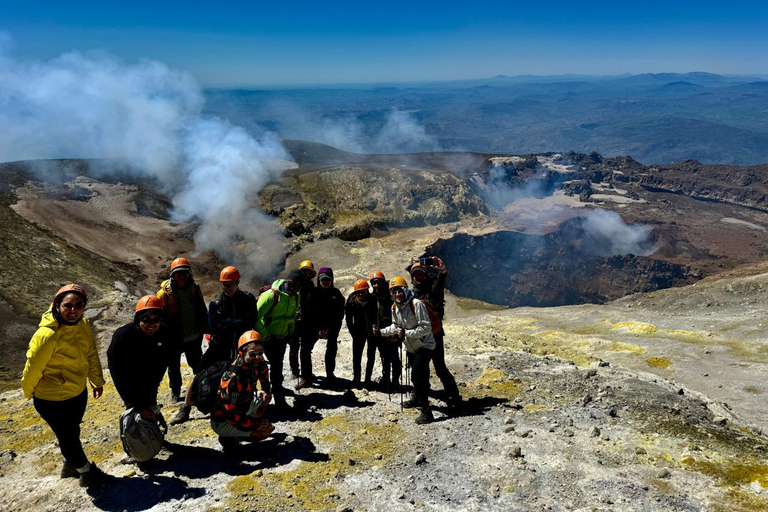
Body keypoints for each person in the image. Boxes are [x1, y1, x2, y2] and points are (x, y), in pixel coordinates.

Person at [21, 284, 114, 487]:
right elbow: (33, 368)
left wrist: (96, 380)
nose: (73, 310)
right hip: (51, 399)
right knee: (67, 436)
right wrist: (29, 393)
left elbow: (90, 352)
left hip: (77, 392)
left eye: (78, 305)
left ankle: (70, 465)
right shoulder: (47, 335)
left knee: (72, 432)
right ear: (57, 305)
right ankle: (87, 473)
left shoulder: (82, 324)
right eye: (68, 305)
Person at [107, 295, 172, 451]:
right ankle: (134, 448)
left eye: (156, 320)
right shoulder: (123, 336)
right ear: (137, 319)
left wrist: (154, 385)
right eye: (146, 319)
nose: (151, 324)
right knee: (134, 414)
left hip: (150, 380)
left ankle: (152, 437)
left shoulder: (164, 332)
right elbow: (117, 372)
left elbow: (163, 361)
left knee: (149, 409)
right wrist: (134, 402)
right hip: (129, 381)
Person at [157, 257, 210, 425]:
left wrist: (207, 329)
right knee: (173, 366)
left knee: (197, 365)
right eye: (179, 274)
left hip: (194, 336)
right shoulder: (164, 294)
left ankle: (200, 390)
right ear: (173, 275)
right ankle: (175, 391)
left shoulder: (195, 289)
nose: (182, 276)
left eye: (185, 273)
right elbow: (159, 317)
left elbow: (201, 310)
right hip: (173, 339)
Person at [375, 277, 435, 424]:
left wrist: (406, 333)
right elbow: (396, 327)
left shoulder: (417, 304)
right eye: (394, 292)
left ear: (405, 290)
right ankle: (418, 398)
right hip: (412, 347)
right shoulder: (395, 307)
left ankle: (427, 411)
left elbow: (426, 328)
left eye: (399, 291)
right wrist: (381, 332)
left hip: (425, 345)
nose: (397, 294)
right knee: (420, 375)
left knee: (416, 376)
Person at [408, 257, 462, 410]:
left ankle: (455, 398)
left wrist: (443, 271)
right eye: (415, 275)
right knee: (419, 369)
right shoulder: (413, 294)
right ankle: (418, 396)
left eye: (421, 274)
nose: (419, 277)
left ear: (426, 276)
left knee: (440, 368)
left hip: (434, 336)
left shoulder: (433, 290)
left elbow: (441, 281)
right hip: (420, 337)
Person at [211, 330, 274, 450]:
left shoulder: (257, 364)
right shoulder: (233, 378)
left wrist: (266, 391)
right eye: (252, 354)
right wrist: (256, 425)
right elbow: (231, 415)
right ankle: (228, 438)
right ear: (242, 353)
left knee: (264, 398)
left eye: (260, 353)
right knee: (264, 433)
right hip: (223, 419)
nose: (257, 357)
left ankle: (239, 432)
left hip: (241, 407)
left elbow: (265, 377)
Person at [255, 271, 301, 408]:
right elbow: (256, 317)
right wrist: (265, 335)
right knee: (274, 365)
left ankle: (276, 388)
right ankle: (278, 397)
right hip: (268, 337)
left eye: (295, 287)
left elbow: (292, 316)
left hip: (282, 337)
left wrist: (291, 332)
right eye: (290, 285)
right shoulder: (271, 295)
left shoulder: (296, 298)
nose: (292, 289)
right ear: (285, 282)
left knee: (277, 364)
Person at [199, 266, 257, 370]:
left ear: (237, 282)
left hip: (242, 345)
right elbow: (213, 328)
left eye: (230, 284)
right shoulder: (215, 304)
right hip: (220, 347)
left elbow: (252, 322)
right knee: (201, 371)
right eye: (224, 285)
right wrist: (240, 322)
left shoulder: (248, 299)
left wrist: (225, 322)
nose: (227, 288)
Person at [297, 267, 345, 388]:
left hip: (330, 327)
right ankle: (306, 377)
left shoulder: (336, 294)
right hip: (313, 326)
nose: (325, 282)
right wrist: (317, 329)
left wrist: (328, 329)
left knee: (332, 348)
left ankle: (330, 374)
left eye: (328, 279)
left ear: (332, 279)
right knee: (305, 349)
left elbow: (339, 314)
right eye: (322, 279)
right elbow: (308, 312)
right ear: (319, 279)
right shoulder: (313, 293)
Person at [370, 270, 401, 392]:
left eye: (378, 283)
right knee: (385, 359)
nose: (376, 285)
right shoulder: (373, 298)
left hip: (391, 332)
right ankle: (387, 380)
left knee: (394, 359)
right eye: (374, 283)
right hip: (380, 334)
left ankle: (395, 381)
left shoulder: (390, 297)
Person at [345, 279, 378, 388]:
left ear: (367, 291)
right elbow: (348, 318)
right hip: (358, 331)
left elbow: (376, 315)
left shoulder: (373, 300)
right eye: (358, 292)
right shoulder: (351, 301)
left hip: (371, 331)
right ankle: (357, 378)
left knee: (371, 356)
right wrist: (352, 331)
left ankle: (367, 379)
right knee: (357, 356)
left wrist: (375, 326)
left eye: (363, 291)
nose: (360, 294)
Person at [290, 259, 316, 380]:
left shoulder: (310, 285)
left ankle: (305, 373)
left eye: (309, 272)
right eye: (305, 271)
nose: (307, 273)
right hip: (295, 320)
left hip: (306, 320)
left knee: (304, 348)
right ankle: (295, 371)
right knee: (294, 346)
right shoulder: (295, 282)